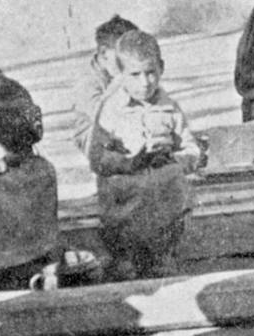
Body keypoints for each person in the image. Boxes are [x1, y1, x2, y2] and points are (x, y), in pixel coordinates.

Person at [87, 30, 202, 280]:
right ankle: (124, 258)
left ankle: (162, 255)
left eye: (151, 73)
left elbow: (191, 148)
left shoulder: (169, 107)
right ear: (120, 74)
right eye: (135, 75)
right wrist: (127, 163)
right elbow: (96, 158)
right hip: (125, 196)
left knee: (172, 182)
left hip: (162, 200)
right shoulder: (111, 110)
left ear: (161, 68)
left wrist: (176, 160)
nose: (145, 82)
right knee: (127, 197)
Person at [71, 14, 139, 155]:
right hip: (93, 139)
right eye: (123, 57)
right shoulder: (87, 81)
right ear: (103, 53)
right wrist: (119, 82)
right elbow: (102, 117)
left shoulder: (122, 72)